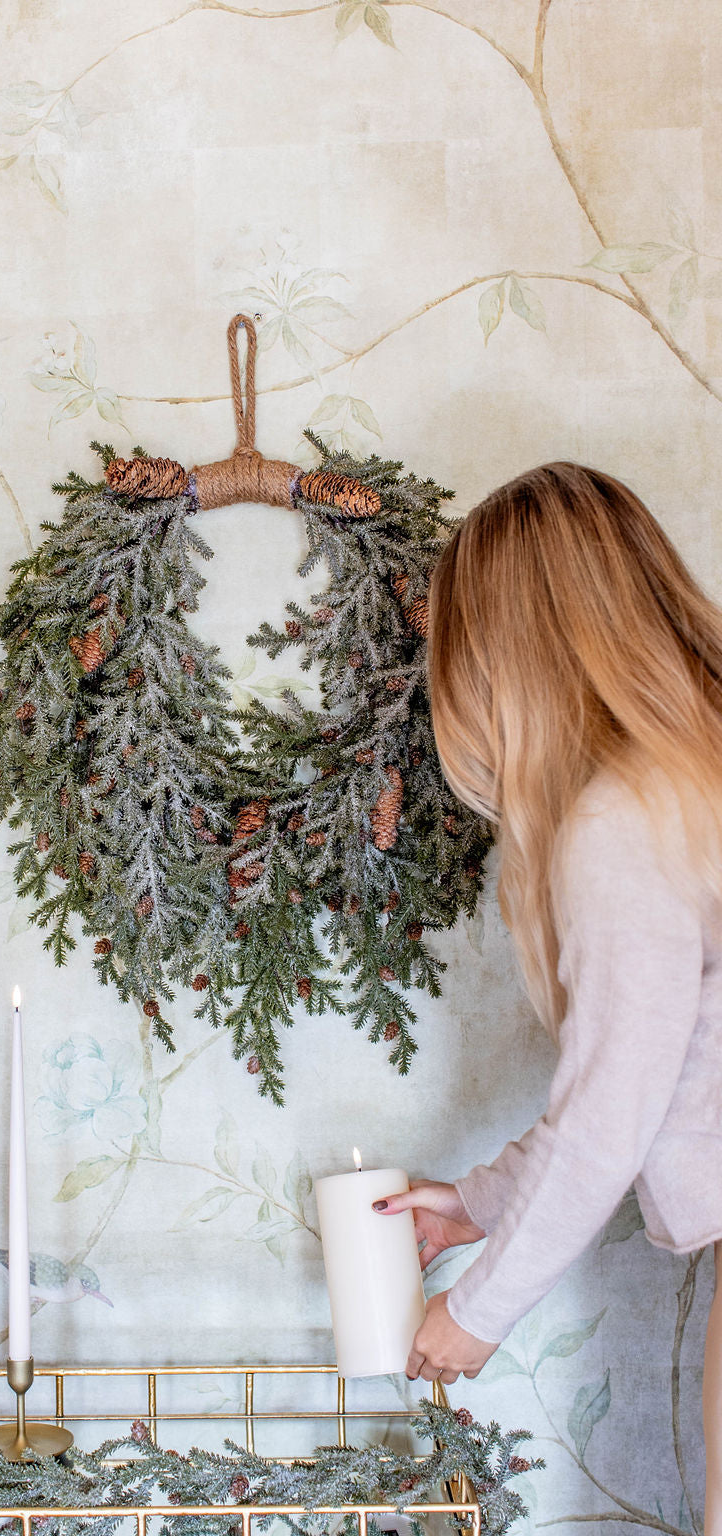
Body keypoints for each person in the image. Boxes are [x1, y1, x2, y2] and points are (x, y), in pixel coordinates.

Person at [373, 462, 722, 1529]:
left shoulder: (624, 822)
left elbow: (607, 1117)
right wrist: (476, 1202)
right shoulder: (695, 785)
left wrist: (474, 1313)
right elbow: (650, 1077)